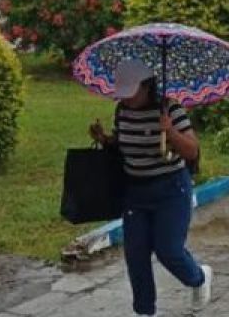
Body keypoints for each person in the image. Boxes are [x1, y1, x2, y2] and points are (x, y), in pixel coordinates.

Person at [89, 60, 212, 316]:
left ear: (147, 87)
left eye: (131, 92)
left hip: (171, 190)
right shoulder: (122, 110)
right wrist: (104, 139)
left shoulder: (170, 109)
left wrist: (170, 132)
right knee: (136, 255)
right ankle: (145, 311)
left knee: (168, 250)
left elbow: (192, 150)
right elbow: (124, 145)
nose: (127, 98)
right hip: (135, 192)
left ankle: (198, 277)